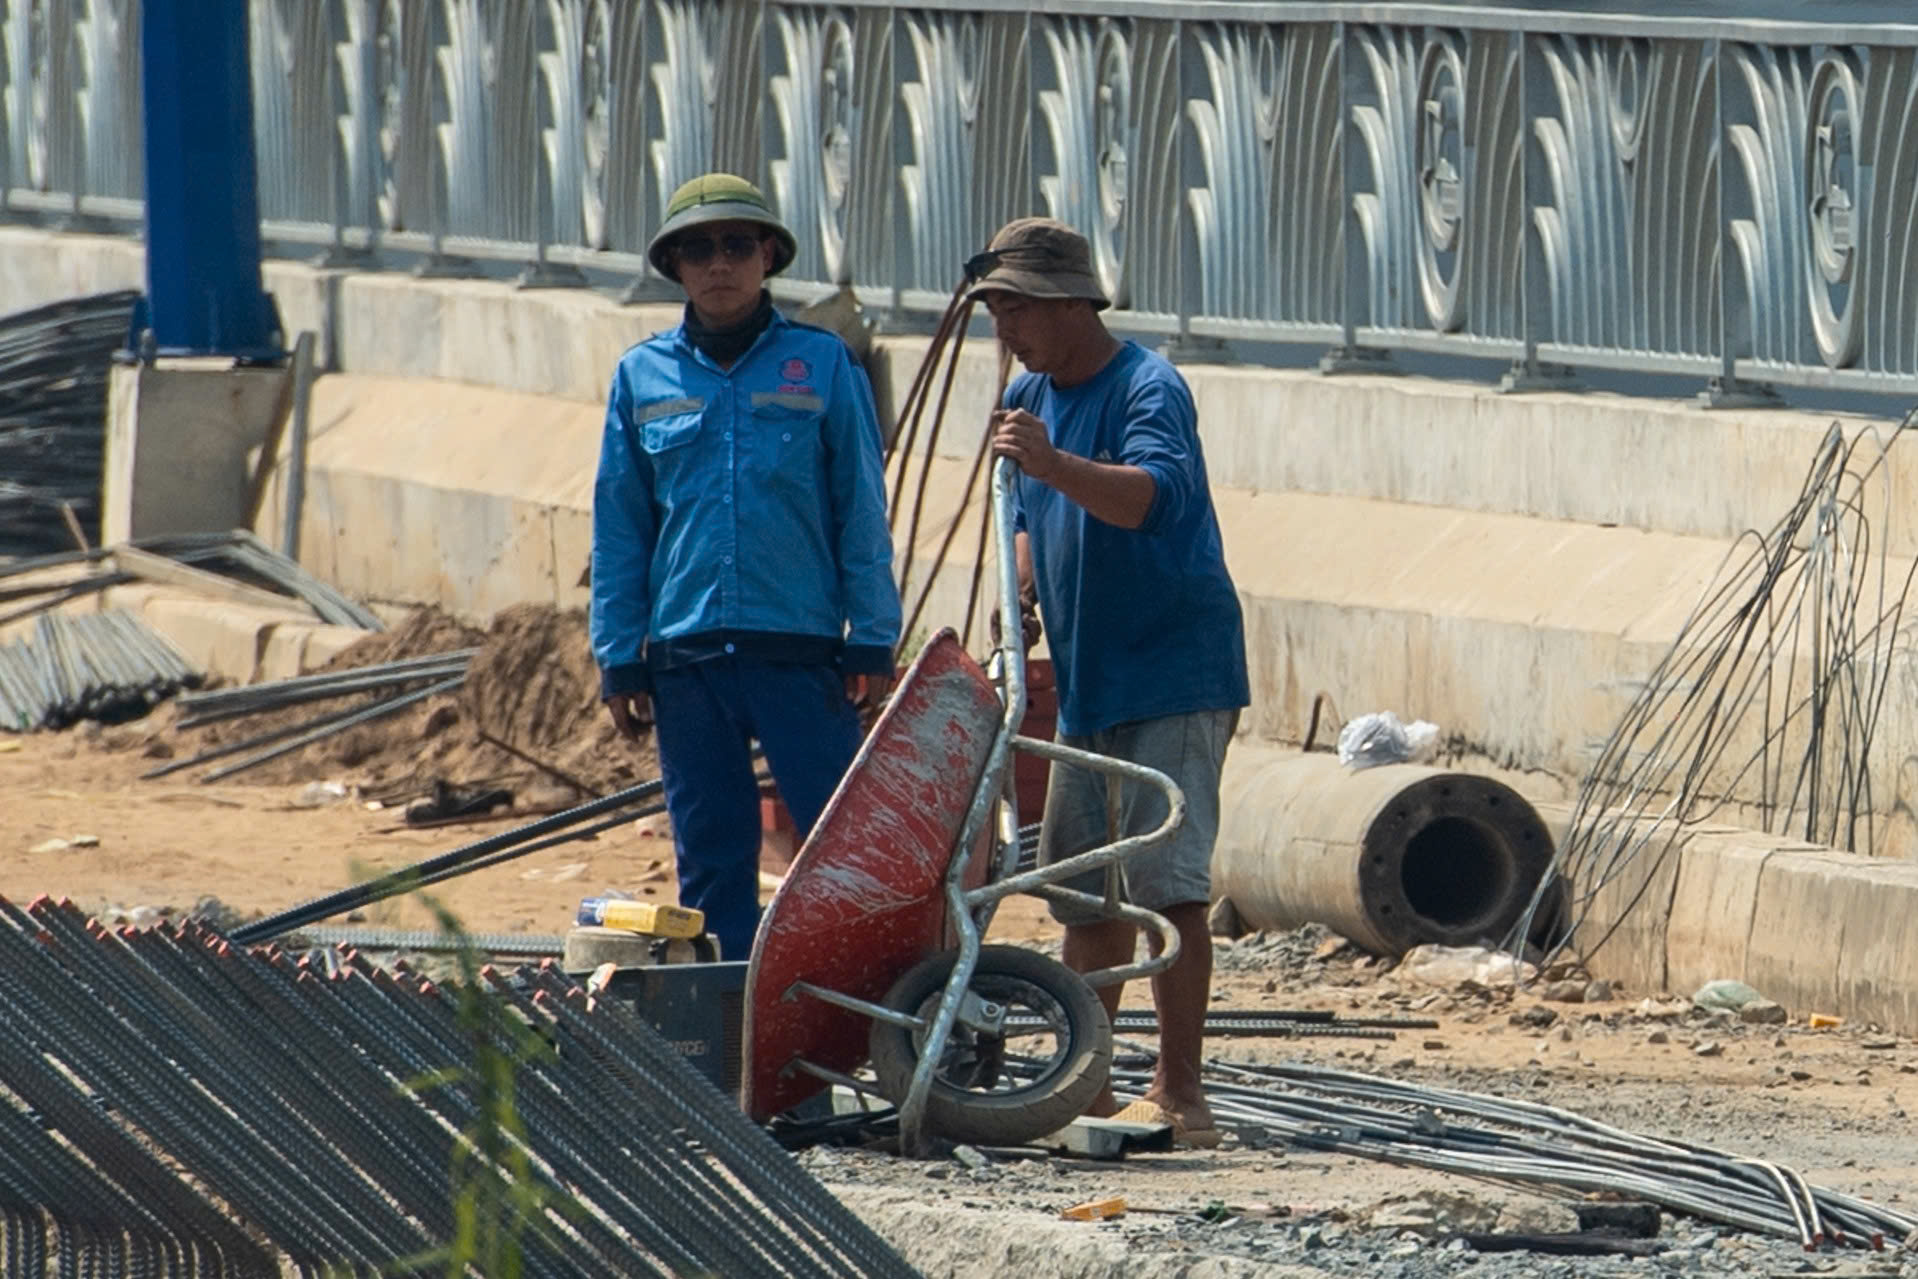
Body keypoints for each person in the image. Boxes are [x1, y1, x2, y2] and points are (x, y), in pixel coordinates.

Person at [970, 217, 1249, 1147]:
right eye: (999, 312)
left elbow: (1149, 496)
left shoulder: (1146, 387)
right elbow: (1025, 508)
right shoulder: (1031, 394)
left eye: (1019, 310)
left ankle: (1182, 1093)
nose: (1008, 330)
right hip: (1089, 677)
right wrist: (1024, 571)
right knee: (1085, 891)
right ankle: (1085, 1082)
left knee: (1166, 882)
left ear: (1071, 303)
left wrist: (1050, 461)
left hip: (1171, 667)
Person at [591, 173, 901, 961]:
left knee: (840, 848)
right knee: (712, 859)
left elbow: (860, 509)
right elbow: (621, 526)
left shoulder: (823, 365)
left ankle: (845, 1015)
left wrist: (872, 636)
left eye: (736, 246)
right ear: (676, 266)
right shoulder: (642, 378)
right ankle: (732, 1036)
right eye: (698, 249)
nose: (718, 264)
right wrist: (618, 654)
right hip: (687, 662)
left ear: (767, 256)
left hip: (798, 653)